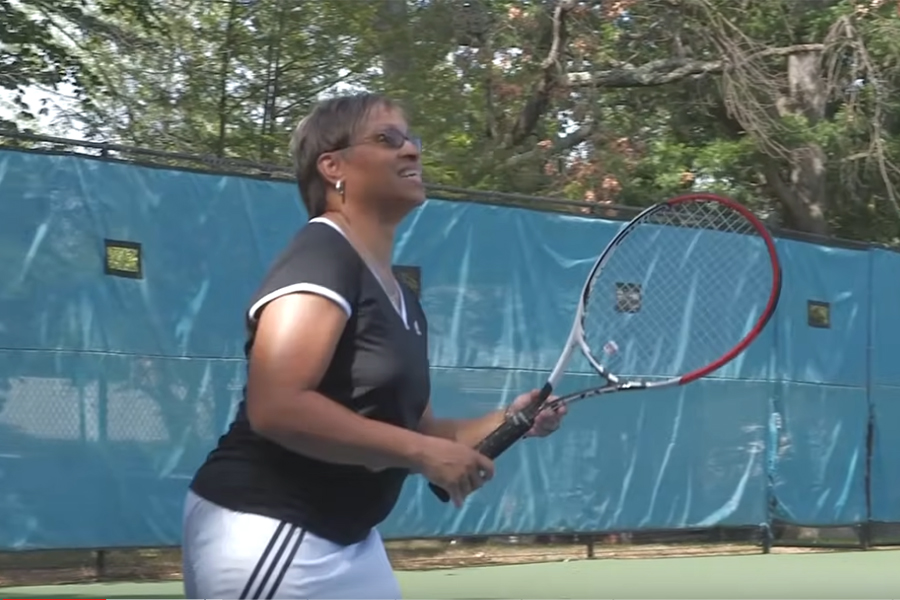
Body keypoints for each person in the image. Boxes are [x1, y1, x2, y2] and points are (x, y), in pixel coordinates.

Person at [180, 92, 567, 600]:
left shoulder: (399, 297)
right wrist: (422, 453)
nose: (411, 151)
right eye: (388, 140)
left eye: (412, 140)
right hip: (269, 528)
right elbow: (277, 406)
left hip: (348, 538)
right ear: (333, 166)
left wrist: (513, 420)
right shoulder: (322, 254)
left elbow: (424, 429)